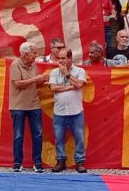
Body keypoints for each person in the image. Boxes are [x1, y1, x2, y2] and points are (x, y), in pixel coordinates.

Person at [8, 42, 48, 172]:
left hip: (34, 104)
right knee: (18, 135)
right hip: (18, 105)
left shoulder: (34, 66)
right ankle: (17, 163)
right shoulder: (15, 64)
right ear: (25, 54)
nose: (36, 55)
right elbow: (18, 83)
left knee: (38, 134)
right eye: (34, 53)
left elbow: (35, 84)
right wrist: (36, 79)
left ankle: (37, 163)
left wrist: (43, 80)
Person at [48, 48, 87, 173]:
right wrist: (70, 86)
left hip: (76, 111)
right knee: (59, 138)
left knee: (79, 137)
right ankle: (60, 161)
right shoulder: (54, 72)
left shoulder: (80, 70)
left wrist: (67, 74)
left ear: (70, 59)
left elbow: (79, 85)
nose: (61, 61)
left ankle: (80, 162)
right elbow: (53, 88)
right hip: (59, 111)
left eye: (63, 58)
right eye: (59, 58)